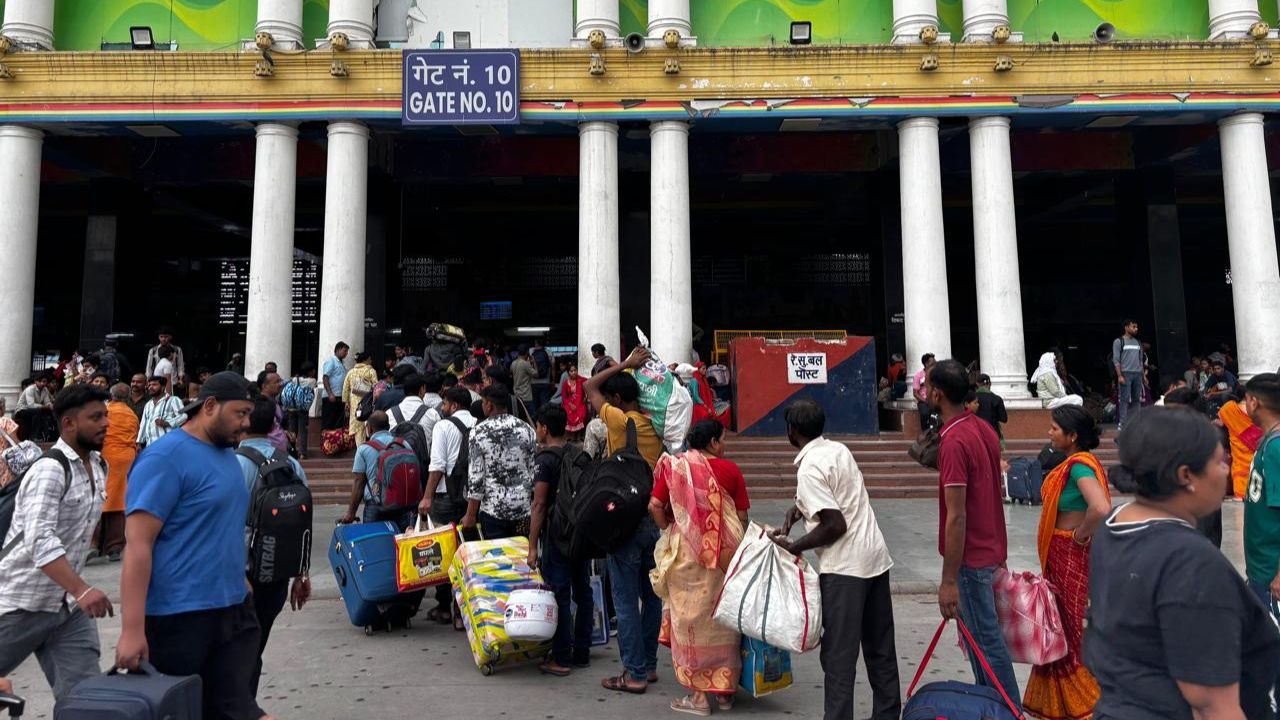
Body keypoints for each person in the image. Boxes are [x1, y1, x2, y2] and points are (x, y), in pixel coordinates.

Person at [1085, 407, 1280, 720]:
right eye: (1220, 461)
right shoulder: (1189, 560)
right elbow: (1213, 705)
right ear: (1186, 475)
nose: (1227, 471)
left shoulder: (1115, 523)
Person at [114, 372, 271, 720]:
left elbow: (222, 528)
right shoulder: (164, 458)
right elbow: (138, 545)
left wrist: (241, 582)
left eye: (249, 415)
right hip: (178, 617)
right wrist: (131, 630)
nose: (246, 424)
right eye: (240, 413)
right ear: (210, 406)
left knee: (238, 708)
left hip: (234, 611)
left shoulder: (228, 455)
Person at [770, 403, 898, 720]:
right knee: (880, 648)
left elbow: (834, 525)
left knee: (839, 657)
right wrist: (799, 507)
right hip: (875, 558)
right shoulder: (838, 450)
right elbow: (837, 492)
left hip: (845, 569)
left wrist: (795, 547)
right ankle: (887, 714)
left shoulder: (809, 468)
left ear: (792, 432)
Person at [0, 385, 114, 701]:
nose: (105, 423)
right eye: (95, 417)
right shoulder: (50, 469)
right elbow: (40, 539)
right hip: (19, 603)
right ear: (68, 424)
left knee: (86, 700)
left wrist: (75, 592)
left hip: (65, 608)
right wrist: (83, 589)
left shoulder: (100, 466)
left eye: (105, 415)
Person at [929, 359, 1020, 707]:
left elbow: (957, 517)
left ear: (937, 393)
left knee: (986, 642)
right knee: (983, 641)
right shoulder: (981, 428)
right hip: (990, 548)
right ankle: (993, 708)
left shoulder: (953, 441)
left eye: (927, 389)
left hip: (971, 559)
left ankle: (1008, 710)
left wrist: (948, 580)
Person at [649, 420, 750, 715]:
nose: (725, 444)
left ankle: (699, 697)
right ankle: (724, 694)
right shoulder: (730, 470)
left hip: (686, 554)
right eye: (723, 439)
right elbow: (742, 516)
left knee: (688, 620)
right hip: (722, 554)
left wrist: (674, 527)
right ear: (713, 443)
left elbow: (655, 505)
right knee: (722, 618)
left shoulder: (677, 466)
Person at [585, 347, 665, 695]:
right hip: (653, 518)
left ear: (617, 399)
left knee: (625, 600)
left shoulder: (619, 421)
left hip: (625, 521)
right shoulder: (656, 425)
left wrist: (627, 364)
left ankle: (633, 674)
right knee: (653, 596)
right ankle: (648, 666)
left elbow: (590, 386)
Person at [1023, 406, 1111, 719]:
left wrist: (1080, 536)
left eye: (1054, 428)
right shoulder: (1074, 464)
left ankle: (1091, 706)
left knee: (1072, 632)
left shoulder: (1078, 466)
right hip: (1062, 554)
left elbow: (1099, 508)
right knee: (1063, 627)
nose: (1049, 433)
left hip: (1071, 553)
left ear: (1072, 436)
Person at [235, 395, 311, 698]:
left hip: (240, 577)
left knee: (233, 654)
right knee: (255, 647)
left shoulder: (235, 464)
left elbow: (229, 526)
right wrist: (301, 574)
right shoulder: (291, 465)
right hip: (277, 574)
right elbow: (302, 523)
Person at [527, 404, 594, 677]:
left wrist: (532, 545)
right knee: (583, 590)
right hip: (579, 533)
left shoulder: (545, 461)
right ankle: (582, 651)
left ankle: (562, 657)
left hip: (557, 535)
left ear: (543, 428)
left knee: (560, 594)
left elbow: (539, 505)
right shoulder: (577, 454)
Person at [416, 387, 477, 628]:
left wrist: (427, 496)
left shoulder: (444, 426)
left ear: (452, 405)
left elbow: (438, 464)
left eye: (444, 404)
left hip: (445, 496)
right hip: (471, 497)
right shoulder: (478, 423)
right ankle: (463, 610)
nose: (441, 408)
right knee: (469, 552)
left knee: (444, 553)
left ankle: (444, 606)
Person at [1243, 372, 1280, 706]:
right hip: (1261, 568)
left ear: (1254, 401)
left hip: (1273, 571)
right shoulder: (1267, 441)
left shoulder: (1278, 447)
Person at [460, 384, 536, 540]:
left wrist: (470, 515)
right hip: (524, 509)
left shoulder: (479, 432)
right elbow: (533, 469)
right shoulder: (526, 429)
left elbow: (477, 478)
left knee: (498, 559)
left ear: (489, 404)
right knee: (521, 557)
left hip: (494, 511)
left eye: (482, 402)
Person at [95, 383, 140, 562]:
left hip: (105, 456)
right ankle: (114, 547)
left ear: (111, 396)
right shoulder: (131, 414)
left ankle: (94, 543)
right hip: (126, 458)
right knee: (119, 501)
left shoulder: (105, 411)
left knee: (99, 498)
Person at [339, 412, 404, 525]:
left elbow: (359, 482)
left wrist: (351, 512)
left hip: (375, 506)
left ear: (369, 428)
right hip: (400, 504)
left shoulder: (364, 449)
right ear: (388, 427)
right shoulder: (403, 444)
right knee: (399, 540)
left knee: (373, 540)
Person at [1219, 391, 1262, 501]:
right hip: (1260, 467)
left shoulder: (1229, 410)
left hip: (1240, 471)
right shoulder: (1264, 412)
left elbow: (1220, 422)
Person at [136, 375, 186, 450]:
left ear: (163, 387)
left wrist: (168, 422)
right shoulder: (148, 404)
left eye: (154, 385)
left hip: (168, 445)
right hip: (150, 445)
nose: (150, 387)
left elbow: (184, 416)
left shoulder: (173, 400)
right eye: (149, 385)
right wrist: (139, 443)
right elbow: (143, 423)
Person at [1112, 320, 1143, 429]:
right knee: (1124, 399)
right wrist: (1119, 375)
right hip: (1125, 373)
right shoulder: (1119, 341)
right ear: (1126, 327)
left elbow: (1140, 360)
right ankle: (1123, 422)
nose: (1136, 329)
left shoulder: (1138, 342)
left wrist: (1143, 375)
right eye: (1133, 326)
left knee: (1136, 399)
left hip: (1137, 374)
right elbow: (1116, 360)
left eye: (1137, 327)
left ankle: (1136, 422)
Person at [341, 352, 378, 445]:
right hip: (369, 402)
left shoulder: (351, 372)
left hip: (355, 405)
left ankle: (360, 448)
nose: (371, 361)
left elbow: (345, 388)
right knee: (370, 425)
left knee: (358, 428)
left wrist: (346, 402)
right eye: (369, 359)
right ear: (365, 360)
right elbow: (377, 387)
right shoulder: (371, 371)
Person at [285, 362, 317, 461]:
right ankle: (302, 453)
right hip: (302, 408)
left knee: (292, 430)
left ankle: (291, 451)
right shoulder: (312, 381)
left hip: (291, 407)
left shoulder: (294, 379)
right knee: (303, 430)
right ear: (310, 372)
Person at [14, 372, 55, 442]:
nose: (42, 383)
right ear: (36, 381)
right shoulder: (30, 389)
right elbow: (31, 405)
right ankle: (34, 436)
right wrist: (44, 406)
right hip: (22, 410)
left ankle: (52, 435)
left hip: (33, 411)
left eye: (44, 381)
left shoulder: (45, 390)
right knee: (38, 411)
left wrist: (50, 406)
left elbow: (47, 402)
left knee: (50, 412)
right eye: (40, 381)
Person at [255, 371, 289, 456]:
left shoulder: (274, 402)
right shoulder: (260, 404)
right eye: (276, 382)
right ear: (264, 386)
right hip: (268, 454)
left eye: (280, 381)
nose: (280, 384)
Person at [320, 341, 350, 431]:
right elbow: (325, 378)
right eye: (344, 351)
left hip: (340, 397)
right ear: (338, 350)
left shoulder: (342, 363)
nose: (346, 354)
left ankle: (335, 444)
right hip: (331, 397)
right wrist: (330, 394)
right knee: (328, 423)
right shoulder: (331, 361)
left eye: (347, 352)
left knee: (338, 424)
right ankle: (326, 443)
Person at [973, 374, 1008, 448]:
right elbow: (1004, 419)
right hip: (992, 434)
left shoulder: (971, 399)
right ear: (990, 383)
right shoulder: (996, 399)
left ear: (977, 384)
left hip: (975, 435)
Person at [560, 364, 589, 441]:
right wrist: (570, 405)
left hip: (580, 403)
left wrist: (586, 396)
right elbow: (564, 397)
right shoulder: (565, 383)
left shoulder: (581, 380)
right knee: (568, 413)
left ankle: (579, 436)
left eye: (575, 370)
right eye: (571, 371)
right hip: (569, 403)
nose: (574, 372)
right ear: (568, 372)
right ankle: (571, 436)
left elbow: (589, 384)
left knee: (581, 413)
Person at [913, 354, 938, 431]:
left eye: (935, 361)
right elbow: (915, 393)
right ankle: (926, 433)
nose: (935, 363)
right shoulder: (918, 375)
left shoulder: (937, 374)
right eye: (932, 362)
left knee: (937, 415)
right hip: (924, 401)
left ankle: (936, 434)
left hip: (935, 399)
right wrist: (925, 401)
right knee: (924, 414)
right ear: (926, 364)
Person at [510, 345, 537, 416]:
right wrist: (534, 362)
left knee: (521, 416)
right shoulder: (525, 364)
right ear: (526, 353)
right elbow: (536, 374)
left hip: (517, 395)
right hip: (526, 395)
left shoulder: (513, 363)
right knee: (532, 416)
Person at [530, 338, 554, 415]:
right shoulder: (549, 352)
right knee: (545, 404)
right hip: (545, 382)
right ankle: (545, 421)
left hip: (533, 382)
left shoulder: (531, 352)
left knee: (534, 404)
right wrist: (553, 380)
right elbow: (553, 367)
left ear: (536, 343)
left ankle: (535, 422)